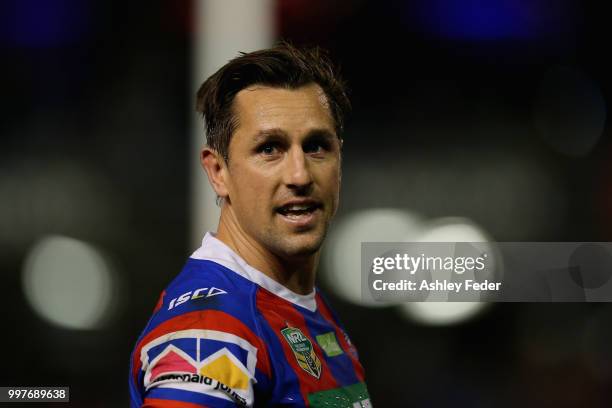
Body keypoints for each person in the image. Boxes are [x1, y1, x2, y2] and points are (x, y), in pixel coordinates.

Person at [129, 42, 372, 407]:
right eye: (269, 148)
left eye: (316, 146)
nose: (299, 174)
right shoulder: (211, 331)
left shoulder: (296, 303)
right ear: (218, 172)